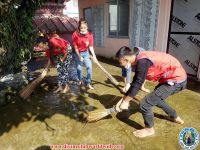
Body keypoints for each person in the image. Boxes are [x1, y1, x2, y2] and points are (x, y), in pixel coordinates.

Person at [115, 46, 187, 138]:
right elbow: (135, 82)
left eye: (120, 63)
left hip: (176, 80)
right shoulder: (138, 58)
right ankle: (174, 117)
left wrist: (126, 101)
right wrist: (123, 99)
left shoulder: (143, 61)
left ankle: (149, 129)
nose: (121, 65)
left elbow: (137, 84)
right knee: (156, 99)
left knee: (145, 104)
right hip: (170, 79)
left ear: (125, 59)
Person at [72, 18, 98, 90]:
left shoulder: (89, 35)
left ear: (87, 27)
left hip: (86, 53)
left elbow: (91, 46)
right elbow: (75, 46)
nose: (83, 29)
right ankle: (80, 80)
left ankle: (88, 82)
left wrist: (94, 56)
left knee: (89, 67)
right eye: (81, 28)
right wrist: (79, 56)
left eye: (85, 27)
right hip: (77, 53)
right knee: (79, 68)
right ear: (79, 27)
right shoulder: (75, 34)